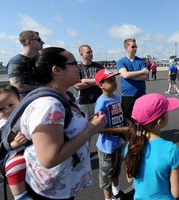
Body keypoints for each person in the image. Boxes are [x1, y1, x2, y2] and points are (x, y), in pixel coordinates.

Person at [17, 47, 106, 199]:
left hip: (62, 186)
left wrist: (89, 124)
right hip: (51, 192)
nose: (78, 67)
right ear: (57, 70)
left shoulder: (65, 96)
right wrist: (90, 130)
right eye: (74, 63)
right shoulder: (49, 106)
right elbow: (49, 158)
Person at [124, 93, 179, 200]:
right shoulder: (170, 149)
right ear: (160, 121)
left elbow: (129, 179)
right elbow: (176, 193)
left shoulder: (131, 144)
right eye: (166, 111)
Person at [94, 69, 135, 200]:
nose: (114, 82)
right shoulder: (101, 102)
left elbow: (120, 115)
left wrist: (126, 121)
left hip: (118, 143)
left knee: (116, 170)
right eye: (110, 80)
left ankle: (116, 193)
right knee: (106, 175)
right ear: (101, 85)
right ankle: (108, 198)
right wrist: (121, 131)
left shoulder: (116, 98)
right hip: (107, 146)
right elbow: (99, 128)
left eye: (114, 79)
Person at [0, 85, 30, 200]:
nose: (7, 110)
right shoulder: (3, 125)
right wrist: (16, 143)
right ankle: (20, 195)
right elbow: (7, 146)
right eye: (0, 109)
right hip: (13, 153)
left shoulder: (24, 115)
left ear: (20, 101)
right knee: (15, 166)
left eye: (11, 105)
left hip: (27, 148)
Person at [117, 38, 149, 123]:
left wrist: (129, 75)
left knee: (141, 119)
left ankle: (140, 136)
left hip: (141, 94)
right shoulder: (121, 62)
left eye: (136, 46)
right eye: (133, 46)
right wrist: (141, 72)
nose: (135, 48)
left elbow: (146, 76)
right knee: (128, 120)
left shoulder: (140, 61)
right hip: (128, 96)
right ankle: (129, 136)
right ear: (126, 48)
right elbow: (125, 75)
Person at [7, 30, 44, 98]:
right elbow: (17, 87)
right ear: (28, 42)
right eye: (39, 40)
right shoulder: (16, 62)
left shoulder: (39, 59)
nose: (42, 42)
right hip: (29, 102)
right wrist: (45, 88)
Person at [73, 44, 104, 119]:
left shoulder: (99, 67)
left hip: (99, 100)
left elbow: (103, 81)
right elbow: (77, 86)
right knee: (86, 123)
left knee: (100, 122)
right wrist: (96, 82)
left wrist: (84, 80)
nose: (91, 53)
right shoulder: (77, 68)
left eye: (91, 51)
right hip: (83, 102)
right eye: (88, 52)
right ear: (81, 54)